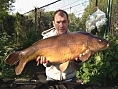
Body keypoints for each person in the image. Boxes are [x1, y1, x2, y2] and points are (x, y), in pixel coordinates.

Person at [35, 9, 88, 89]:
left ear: (68, 22)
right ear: (53, 23)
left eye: (64, 22)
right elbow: (47, 65)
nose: (61, 25)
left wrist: (78, 61)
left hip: (70, 80)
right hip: (51, 79)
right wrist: (46, 62)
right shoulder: (47, 39)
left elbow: (76, 67)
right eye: (58, 22)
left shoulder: (75, 39)